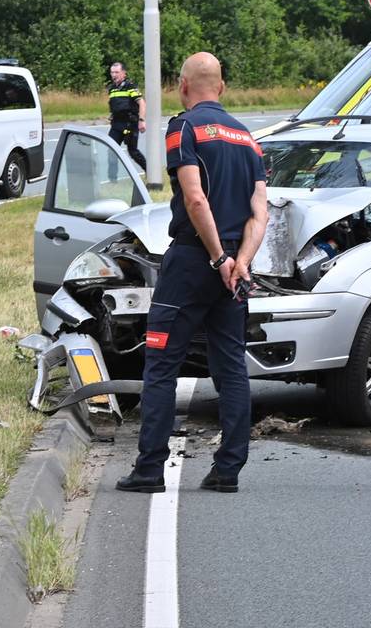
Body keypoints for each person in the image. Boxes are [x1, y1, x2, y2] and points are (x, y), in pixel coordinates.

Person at [116, 52, 269, 494]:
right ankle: (227, 471)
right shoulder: (247, 138)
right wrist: (239, 262)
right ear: (221, 88)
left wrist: (218, 257)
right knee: (230, 367)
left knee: (162, 364)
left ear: (183, 87)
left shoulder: (183, 127)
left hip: (192, 262)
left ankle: (149, 471)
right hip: (236, 267)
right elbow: (260, 212)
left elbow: (195, 197)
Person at [107, 61, 147, 170]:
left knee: (133, 151)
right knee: (111, 148)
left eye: (117, 72)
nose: (114, 75)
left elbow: (142, 103)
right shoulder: (112, 88)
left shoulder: (130, 86)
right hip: (116, 123)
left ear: (124, 73)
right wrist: (112, 114)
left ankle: (150, 171)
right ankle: (113, 180)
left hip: (130, 123)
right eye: (112, 72)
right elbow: (116, 105)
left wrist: (142, 120)